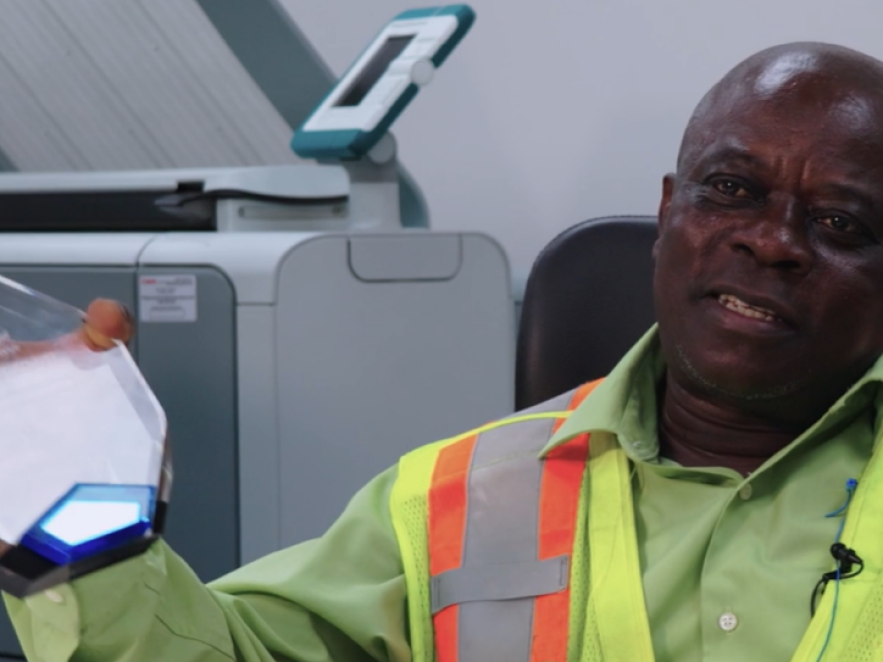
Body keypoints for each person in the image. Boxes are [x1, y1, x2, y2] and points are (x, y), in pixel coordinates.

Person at [9, 40, 883, 662]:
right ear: (667, 213)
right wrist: (58, 498)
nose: (771, 243)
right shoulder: (453, 502)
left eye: (839, 221)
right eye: (731, 190)